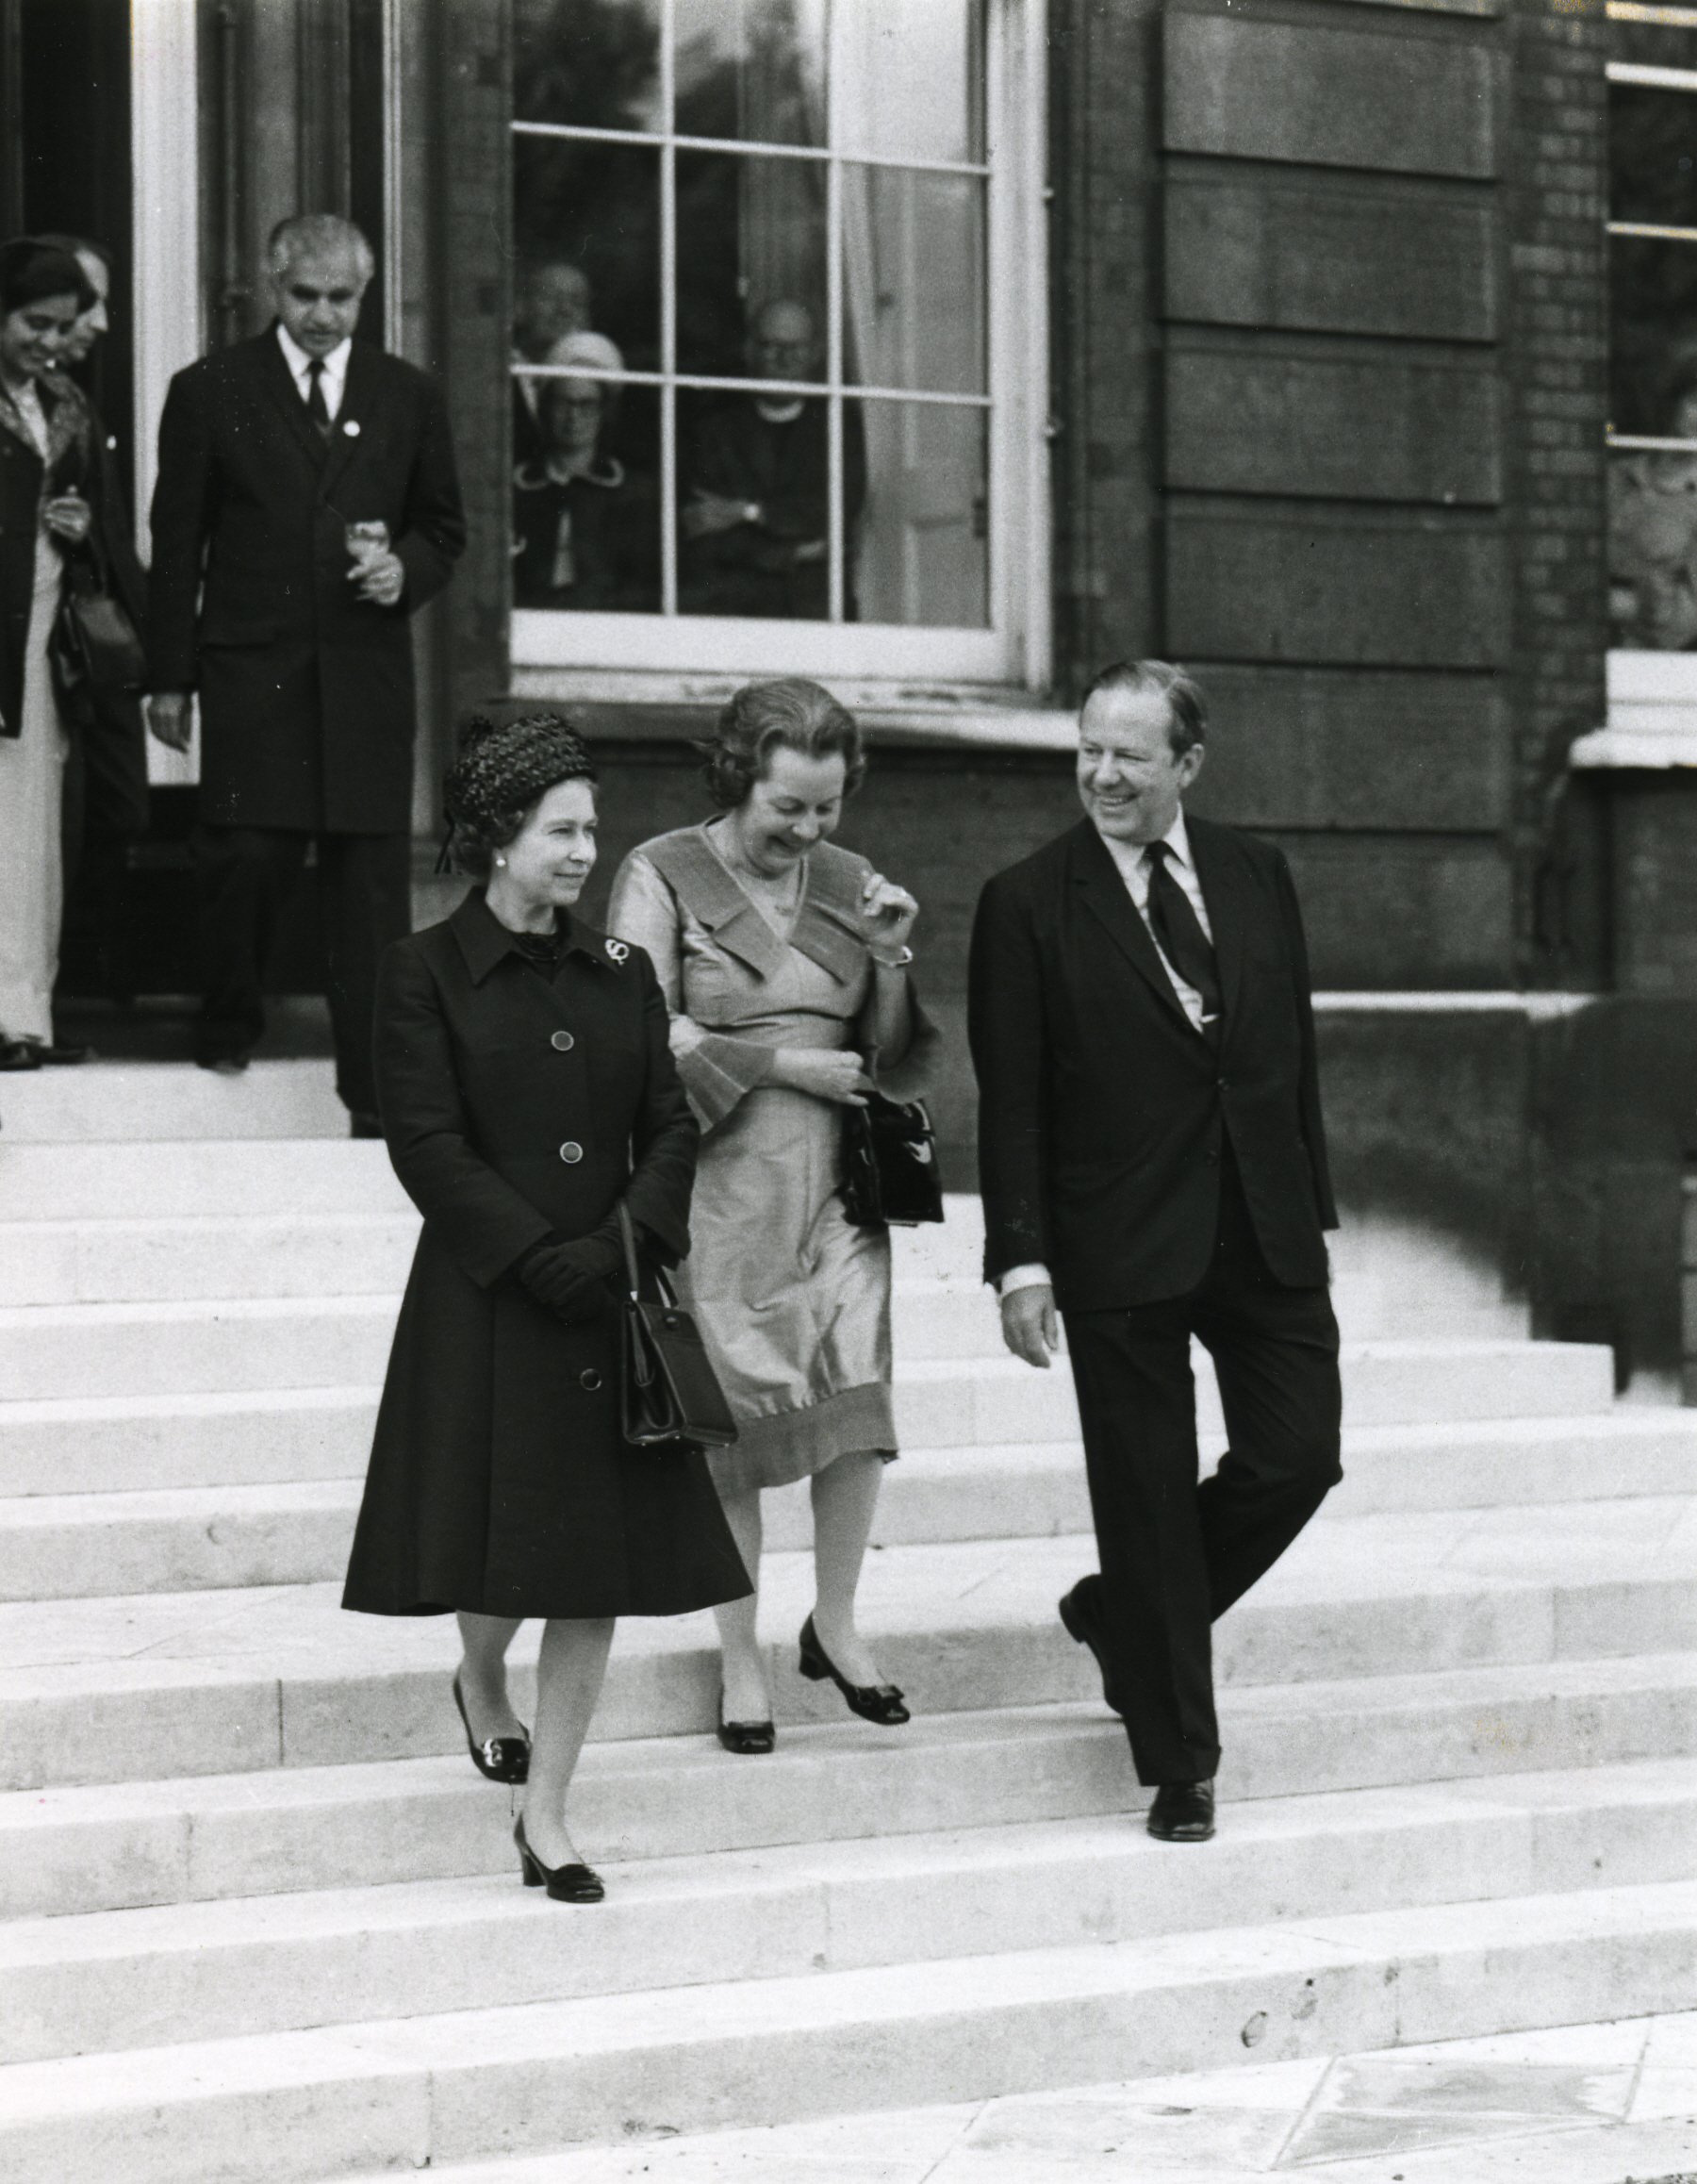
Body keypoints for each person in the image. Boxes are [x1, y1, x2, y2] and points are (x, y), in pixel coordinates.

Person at [342, 712, 750, 1901]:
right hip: (490, 1301)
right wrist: (535, 1257)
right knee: (499, 1552)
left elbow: (670, 1127)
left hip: (610, 1301)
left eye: (591, 829)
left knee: (591, 1571)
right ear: (499, 835)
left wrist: (621, 1243)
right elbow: (424, 1142)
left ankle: (550, 1815)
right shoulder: (420, 972)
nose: (584, 852)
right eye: (562, 829)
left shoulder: (623, 975)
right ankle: (480, 1676)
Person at [967, 660, 1343, 1845]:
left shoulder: (1256, 872)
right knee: (1143, 1495)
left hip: (1262, 1225)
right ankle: (1179, 1764)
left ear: (1187, 764)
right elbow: (1011, 1101)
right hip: (1116, 1234)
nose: (1103, 773)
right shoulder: (1027, 901)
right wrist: (1019, 1261)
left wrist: (1308, 1202)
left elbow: (1291, 1055)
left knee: (1298, 1458)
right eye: (1089, 748)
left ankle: (1120, 1615)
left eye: (1131, 754)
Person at [608, 677, 935, 1753]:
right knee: (737, 1429)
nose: (807, 831)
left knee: (858, 1404)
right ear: (738, 775)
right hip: (717, 1184)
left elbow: (887, 1053)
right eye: (786, 806)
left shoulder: (849, 882)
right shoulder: (659, 872)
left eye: (827, 808)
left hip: (838, 1189)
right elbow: (638, 1035)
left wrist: (891, 953)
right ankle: (738, 1654)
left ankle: (833, 1622)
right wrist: (790, 1065)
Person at [145, 212, 467, 1132]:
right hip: (255, 671)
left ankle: (374, 1096)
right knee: (247, 857)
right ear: (269, 284)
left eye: (343, 298)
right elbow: (177, 545)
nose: (324, 315)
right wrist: (170, 676)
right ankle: (228, 1019)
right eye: (305, 295)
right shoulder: (211, 391)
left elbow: (444, 527)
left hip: (365, 674)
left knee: (369, 889)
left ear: (364, 294)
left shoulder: (407, 395)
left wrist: (407, 568)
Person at [0, 237, 119, 1070]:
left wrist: (79, 536)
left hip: (38, 645)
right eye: (32, 324)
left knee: (32, 834)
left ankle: (24, 1015)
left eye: (61, 326)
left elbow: (99, 543)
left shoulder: (68, 404)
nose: (47, 341)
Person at [34, 232, 149, 1009]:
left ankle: (80, 977)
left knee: (117, 808)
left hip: (97, 646)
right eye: (87, 302)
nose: (100, 322)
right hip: (39, 646)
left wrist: (162, 655)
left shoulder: (74, 405)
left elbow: (112, 534)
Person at [680, 300, 865, 621]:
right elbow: (704, 532)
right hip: (735, 613)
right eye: (769, 346)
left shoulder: (839, 426)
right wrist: (792, 553)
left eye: (794, 348)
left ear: (815, 352)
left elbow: (833, 512)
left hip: (819, 610)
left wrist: (746, 512)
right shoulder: (716, 432)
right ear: (749, 350)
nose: (782, 359)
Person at [511, 332, 658, 612]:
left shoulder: (632, 492)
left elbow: (644, 586)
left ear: (604, 412)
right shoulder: (517, 488)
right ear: (546, 408)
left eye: (586, 405)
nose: (574, 417)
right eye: (563, 403)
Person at [1609, 363, 1697, 651]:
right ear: (1674, 404)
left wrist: (1634, 610)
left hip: (1648, 661)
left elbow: (1687, 618)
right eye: (1695, 402)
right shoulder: (1618, 476)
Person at [512, 258, 593, 472]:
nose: (565, 309)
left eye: (576, 302)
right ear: (519, 307)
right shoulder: (497, 376)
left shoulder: (597, 384)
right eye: (550, 297)